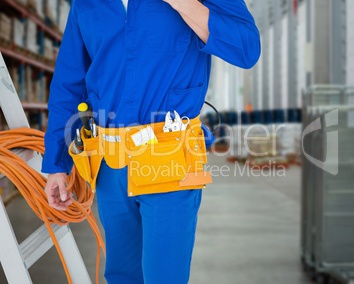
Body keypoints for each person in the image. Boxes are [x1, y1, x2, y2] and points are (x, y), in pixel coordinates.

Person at [42, 0, 260, 283]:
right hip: (110, 165)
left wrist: (185, 4)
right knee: (122, 275)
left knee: (164, 276)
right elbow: (68, 85)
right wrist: (57, 164)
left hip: (170, 160)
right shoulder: (86, 3)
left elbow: (246, 49)